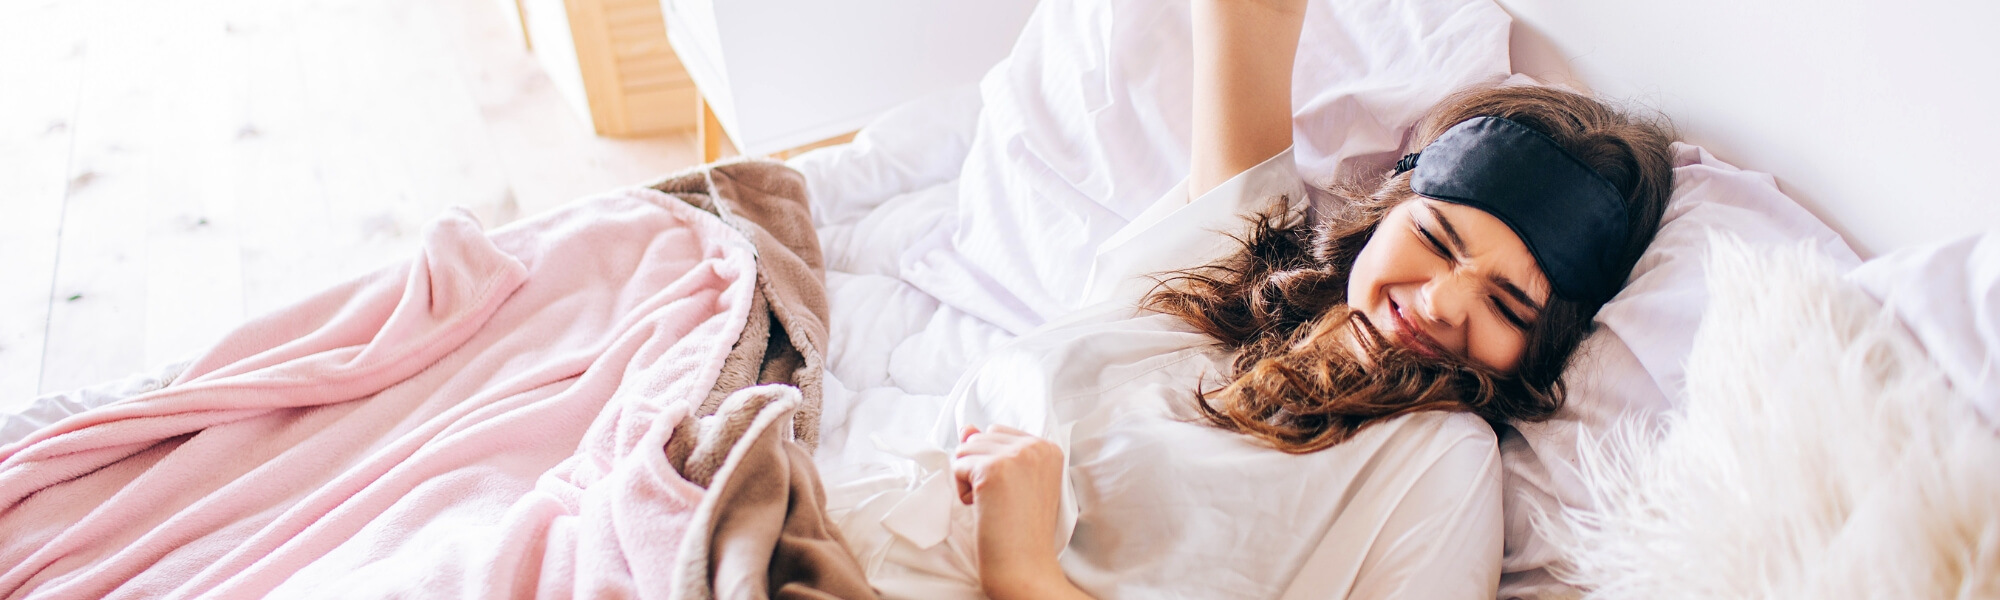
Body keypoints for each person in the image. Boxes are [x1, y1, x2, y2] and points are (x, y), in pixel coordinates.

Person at [944, 0, 1675, 598]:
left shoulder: (1440, 464)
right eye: (1437, 239)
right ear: (1389, 208)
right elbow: (1250, 15)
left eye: (1509, 306)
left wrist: (1024, 574)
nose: (1444, 302)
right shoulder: (1241, 261)